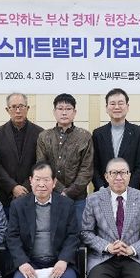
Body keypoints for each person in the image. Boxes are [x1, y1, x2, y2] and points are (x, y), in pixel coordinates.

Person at [36, 93, 93, 223]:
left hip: (78, 198)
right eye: (60, 108)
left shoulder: (85, 136)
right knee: (52, 231)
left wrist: (69, 192)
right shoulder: (44, 136)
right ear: (54, 112)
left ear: (74, 112)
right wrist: (60, 190)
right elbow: (42, 166)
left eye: (68, 109)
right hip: (50, 196)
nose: (64, 112)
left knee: (78, 232)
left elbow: (86, 170)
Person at [0, 93, 43, 214]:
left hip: (31, 193)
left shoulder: (40, 133)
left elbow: (40, 163)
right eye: (13, 107)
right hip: (4, 195)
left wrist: (26, 187)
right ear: (7, 110)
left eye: (21, 106)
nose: (18, 111)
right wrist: (13, 187)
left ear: (27, 108)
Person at [92, 88, 140, 191]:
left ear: (127, 107)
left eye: (120, 103)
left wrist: (129, 188)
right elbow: (94, 165)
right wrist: (102, 188)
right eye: (112, 104)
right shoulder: (98, 134)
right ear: (106, 108)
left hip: (130, 191)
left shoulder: (138, 133)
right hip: (104, 191)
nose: (117, 107)